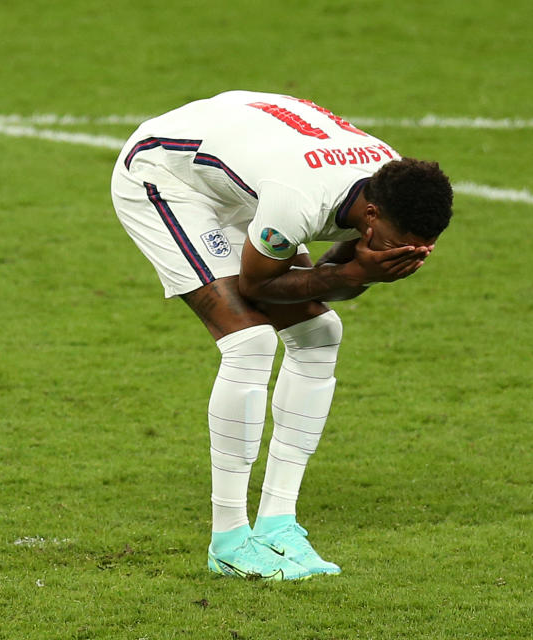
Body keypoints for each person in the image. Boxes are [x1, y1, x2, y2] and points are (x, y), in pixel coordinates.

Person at [110, 90, 453, 581]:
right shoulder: (300, 199)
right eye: (399, 246)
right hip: (165, 175)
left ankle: (277, 524)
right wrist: (355, 275)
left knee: (319, 334)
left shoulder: (393, 180)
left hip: (243, 177)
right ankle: (228, 540)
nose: (408, 253)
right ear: (372, 217)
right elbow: (258, 284)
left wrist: (362, 271)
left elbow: (334, 275)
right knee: (249, 341)